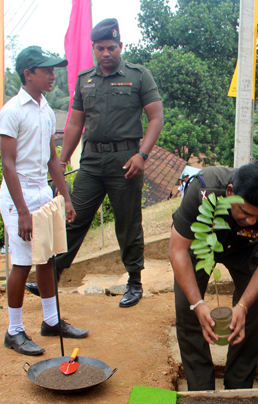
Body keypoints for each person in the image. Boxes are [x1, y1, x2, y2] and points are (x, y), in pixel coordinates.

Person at [25, 18, 164, 308]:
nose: (106, 53)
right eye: (100, 48)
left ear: (120, 46)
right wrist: (62, 160)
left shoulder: (139, 76)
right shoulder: (84, 79)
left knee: (128, 223)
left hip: (127, 161)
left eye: (111, 47)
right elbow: (75, 122)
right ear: (93, 48)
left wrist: (143, 154)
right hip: (91, 160)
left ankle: (134, 281)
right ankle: (52, 275)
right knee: (73, 217)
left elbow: (156, 118)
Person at [0, 46, 87, 356]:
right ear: (28, 74)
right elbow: (8, 164)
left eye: (53, 70)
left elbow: (52, 158)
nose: (52, 76)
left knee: (47, 258)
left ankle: (51, 321)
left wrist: (65, 197)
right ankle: (14, 330)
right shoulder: (12, 111)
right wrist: (22, 211)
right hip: (17, 194)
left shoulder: (45, 109)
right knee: (22, 264)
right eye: (46, 71)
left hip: (41, 192)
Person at [168, 161, 258, 390]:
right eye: (245, 212)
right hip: (202, 243)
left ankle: (239, 385)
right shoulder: (203, 190)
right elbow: (177, 250)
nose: (251, 221)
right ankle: (200, 388)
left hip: (245, 248)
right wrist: (198, 304)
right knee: (187, 307)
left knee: (256, 308)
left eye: (257, 217)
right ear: (230, 193)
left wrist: (242, 306)